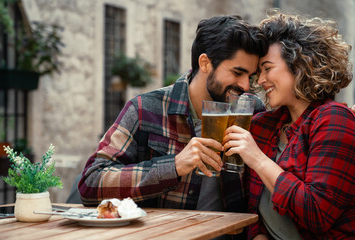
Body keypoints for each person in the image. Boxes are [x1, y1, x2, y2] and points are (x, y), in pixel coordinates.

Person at [78, 14, 268, 224]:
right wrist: (174, 166)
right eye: (237, 72)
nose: (245, 86)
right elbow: (91, 183)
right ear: (205, 63)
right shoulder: (145, 109)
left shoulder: (251, 111)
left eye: (249, 76)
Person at [223, 11, 355, 239]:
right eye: (258, 73)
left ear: (300, 65)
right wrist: (258, 235)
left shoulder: (334, 119)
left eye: (267, 68)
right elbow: (254, 202)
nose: (260, 80)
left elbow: (317, 214)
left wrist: (258, 159)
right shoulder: (263, 126)